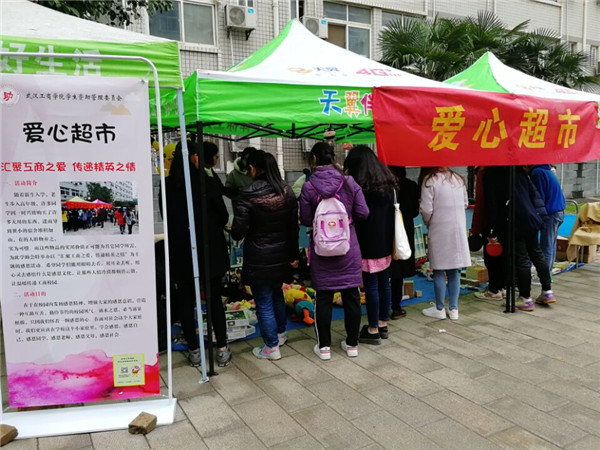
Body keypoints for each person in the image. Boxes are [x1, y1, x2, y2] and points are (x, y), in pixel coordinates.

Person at [299, 142, 369, 359]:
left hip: (321, 249)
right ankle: (352, 344)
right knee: (351, 295)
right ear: (334, 157)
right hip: (348, 247)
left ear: (314, 159)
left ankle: (324, 347)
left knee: (323, 297)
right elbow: (363, 212)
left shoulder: (309, 187)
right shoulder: (349, 182)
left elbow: (306, 219)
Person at [165, 140, 231, 367]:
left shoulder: (167, 186)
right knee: (213, 299)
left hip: (181, 251)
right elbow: (223, 215)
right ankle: (222, 349)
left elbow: (166, 218)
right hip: (209, 249)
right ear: (194, 157)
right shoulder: (206, 182)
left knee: (185, 301)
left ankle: (194, 351)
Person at [232, 150, 299, 361]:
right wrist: (294, 255)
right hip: (281, 253)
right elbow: (293, 228)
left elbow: (238, 231)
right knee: (277, 293)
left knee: (263, 301)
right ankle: (281, 334)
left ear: (253, 168)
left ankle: (271, 346)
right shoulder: (287, 191)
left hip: (258, 256)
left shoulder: (246, 194)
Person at [344, 146, 395, 345]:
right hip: (386, 241)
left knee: (371, 285)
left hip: (366, 241)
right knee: (384, 283)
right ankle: (382, 324)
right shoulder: (388, 184)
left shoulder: (359, 188)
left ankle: (372, 329)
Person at [419, 167, 471, 320]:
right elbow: (465, 203)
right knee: (454, 269)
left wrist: (428, 222)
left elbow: (426, 209)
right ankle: (454, 309)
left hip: (439, 228)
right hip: (457, 229)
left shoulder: (430, 181)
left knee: (439, 269)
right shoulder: (459, 179)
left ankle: (439, 308)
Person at [513, 167, 555, 310]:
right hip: (532, 219)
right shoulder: (524, 176)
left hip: (519, 221)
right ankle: (547, 291)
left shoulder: (508, 177)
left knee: (523, 259)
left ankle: (525, 298)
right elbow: (535, 197)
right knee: (537, 253)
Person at [388, 166, 420, 319]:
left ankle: (381, 306)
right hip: (404, 230)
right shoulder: (411, 185)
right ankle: (396, 306)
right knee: (398, 271)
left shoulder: (383, 186)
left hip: (386, 231)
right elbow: (415, 211)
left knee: (384, 269)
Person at [473, 166, 507, 300]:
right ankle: (502, 287)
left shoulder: (487, 174)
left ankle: (494, 289)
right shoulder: (506, 172)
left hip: (491, 221)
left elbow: (486, 202)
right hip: (505, 220)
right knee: (502, 256)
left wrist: (490, 229)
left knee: (492, 256)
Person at [527, 164, 566, 273]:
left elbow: (539, 197)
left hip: (551, 213)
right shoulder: (546, 171)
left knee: (546, 247)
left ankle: (545, 276)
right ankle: (548, 274)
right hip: (558, 211)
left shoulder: (537, 173)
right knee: (551, 245)